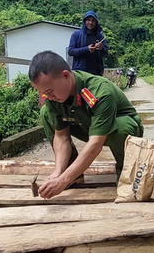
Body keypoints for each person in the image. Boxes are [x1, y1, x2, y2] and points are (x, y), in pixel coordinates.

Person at [29, 51, 143, 199]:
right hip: (88, 126)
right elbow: (61, 136)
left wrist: (62, 182)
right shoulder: (52, 98)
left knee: (120, 128)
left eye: (50, 91)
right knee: (45, 112)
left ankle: (127, 172)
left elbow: (96, 143)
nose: (48, 97)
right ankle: (71, 172)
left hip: (123, 129)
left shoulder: (100, 91)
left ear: (65, 75)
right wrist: (59, 173)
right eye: (43, 93)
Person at [68, 10, 108, 76]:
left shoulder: (100, 36)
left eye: (93, 20)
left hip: (96, 73)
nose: (90, 22)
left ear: (96, 22)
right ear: (84, 21)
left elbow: (106, 54)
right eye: (88, 20)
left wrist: (101, 48)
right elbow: (70, 51)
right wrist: (86, 49)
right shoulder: (76, 35)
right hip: (80, 73)